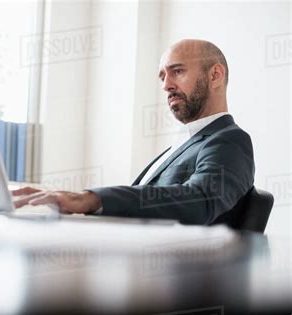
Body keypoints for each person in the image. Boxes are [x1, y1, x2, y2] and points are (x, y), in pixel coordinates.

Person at [13, 39, 255, 226]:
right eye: (163, 76)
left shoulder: (229, 140)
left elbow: (198, 201)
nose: (166, 85)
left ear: (215, 75)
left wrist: (91, 199)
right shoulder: (184, 145)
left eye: (177, 71)